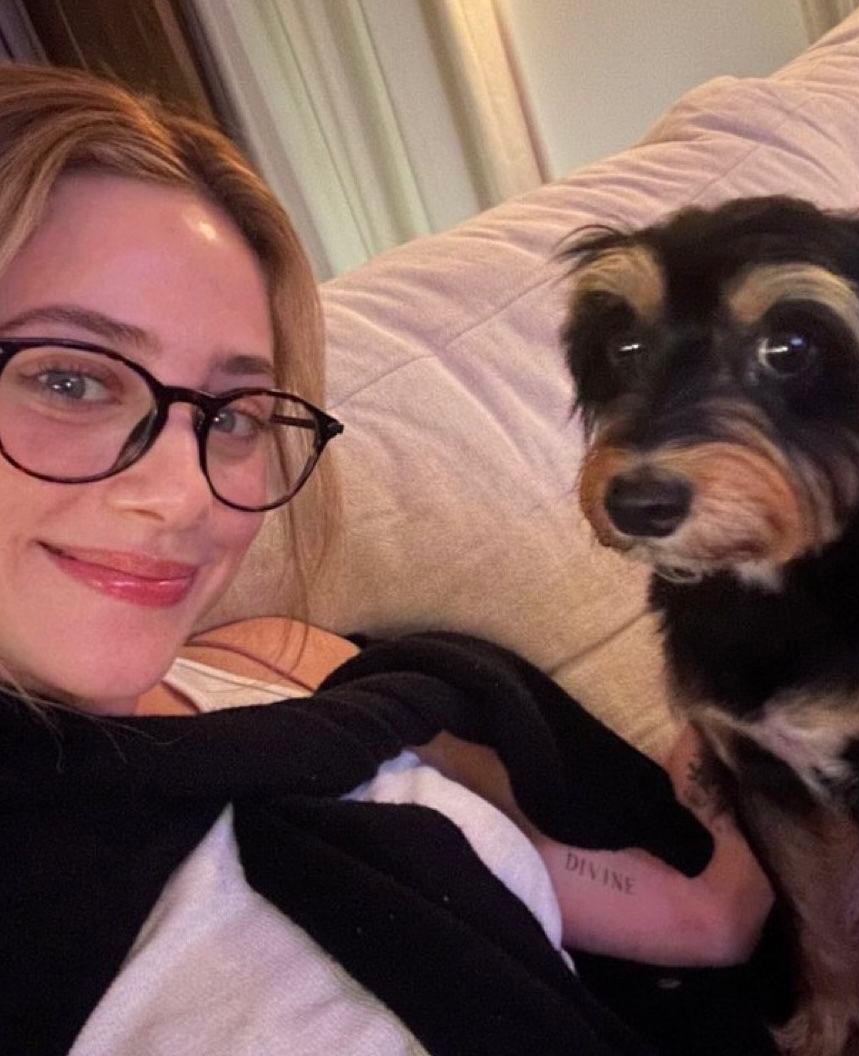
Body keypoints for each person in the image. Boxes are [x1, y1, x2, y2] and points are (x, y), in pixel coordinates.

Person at [0, 63, 773, 1056]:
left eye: (232, 415)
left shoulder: (272, 663)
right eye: (68, 379)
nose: (189, 494)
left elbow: (689, 917)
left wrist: (731, 849)